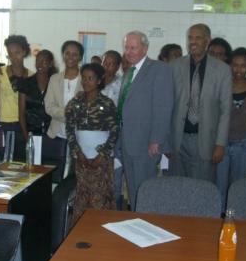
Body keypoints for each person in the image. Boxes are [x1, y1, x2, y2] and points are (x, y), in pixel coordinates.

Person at [117, 31, 173, 208]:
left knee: (145, 190)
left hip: (146, 143)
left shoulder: (159, 69)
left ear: (145, 48)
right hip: (127, 141)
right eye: (127, 47)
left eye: (133, 47)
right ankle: (135, 221)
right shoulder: (129, 72)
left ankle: (145, 224)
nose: (129, 51)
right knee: (133, 189)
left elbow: (163, 107)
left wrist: (156, 140)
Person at [169, 23, 232, 182]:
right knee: (176, 187)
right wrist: (165, 141)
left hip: (205, 140)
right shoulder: (174, 67)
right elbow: (167, 106)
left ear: (207, 41)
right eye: (190, 38)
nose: (193, 42)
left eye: (198, 38)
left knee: (202, 189)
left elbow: (226, 110)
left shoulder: (222, 70)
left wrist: (220, 144)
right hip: (178, 139)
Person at [65, 63, 118, 223]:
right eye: (84, 78)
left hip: (101, 160)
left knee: (100, 197)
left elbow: (115, 131)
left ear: (99, 80)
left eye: (91, 78)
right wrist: (78, 153)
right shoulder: (75, 103)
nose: (86, 82)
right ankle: (78, 234)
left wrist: (102, 154)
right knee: (82, 197)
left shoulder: (107, 103)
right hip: (81, 159)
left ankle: (101, 236)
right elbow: (69, 129)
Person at [216, 47, 246, 208]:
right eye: (234, 65)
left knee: (238, 186)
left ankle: (237, 218)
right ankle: (218, 219)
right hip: (222, 143)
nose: (238, 70)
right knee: (219, 186)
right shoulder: (223, 84)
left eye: (243, 65)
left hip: (244, 145)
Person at [0, 35, 33, 161]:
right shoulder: (0, 72)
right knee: (4, 159)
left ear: (24, 52)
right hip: (4, 123)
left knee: (21, 160)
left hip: (24, 124)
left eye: (17, 53)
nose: (14, 57)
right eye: (10, 54)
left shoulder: (31, 75)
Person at [45, 40, 84, 177]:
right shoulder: (54, 79)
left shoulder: (86, 79)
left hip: (80, 137)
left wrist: (72, 115)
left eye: (75, 54)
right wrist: (67, 114)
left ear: (80, 57)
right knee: (55, 175)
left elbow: (86, 109)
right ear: (63, 55)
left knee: (75, 176)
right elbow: (49, 106)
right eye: (67, 53)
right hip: (56, 134)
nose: (71, 57)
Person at [101, 50, 123, 208]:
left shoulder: (122, 84)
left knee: (114, 182)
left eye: (111, 64)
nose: (107, 66)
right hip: (94, 139)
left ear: (117, 66)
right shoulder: (93, 81)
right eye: (105, 62)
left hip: (114, 139)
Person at [19, 49, 56, 140]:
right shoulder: (26, 83)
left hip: (51, 133)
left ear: (50, 64)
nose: (40, 64)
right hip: (31, 131)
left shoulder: (55, 83)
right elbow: (21, 113)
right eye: (37, 61)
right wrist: (25, 134)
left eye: (44, 61)